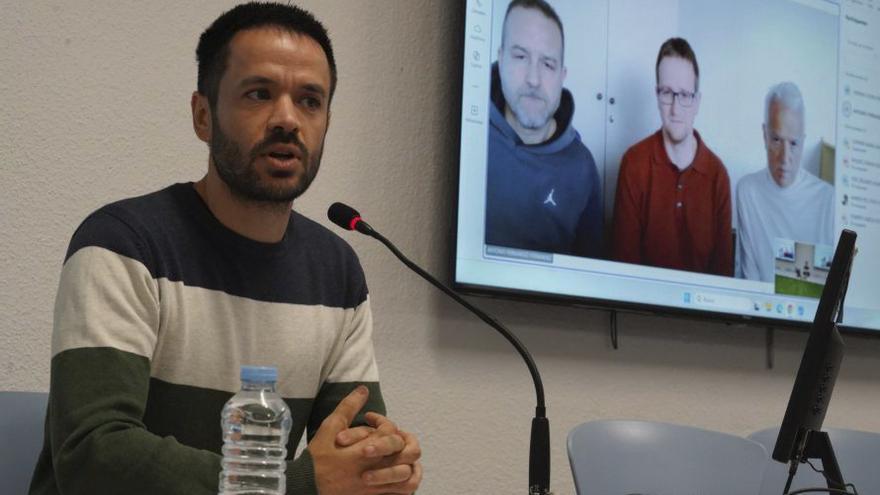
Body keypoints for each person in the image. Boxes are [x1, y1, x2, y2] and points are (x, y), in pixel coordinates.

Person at [29, 3, 422, 495]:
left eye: (310, 101)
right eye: (259, 94)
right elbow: (93, 457)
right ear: (202, 115)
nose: (287, 119)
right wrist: (296, 485)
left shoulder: (336, 272)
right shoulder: (123, 244)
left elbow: (352, 449)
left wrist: (381, 463)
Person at [485, 0, 603, 258]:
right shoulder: (470, 132)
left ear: (563, 75)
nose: (534, 79)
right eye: (520, 56)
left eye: (548, 64)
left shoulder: (583, 168)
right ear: (501, 58)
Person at [612, 37, 732, 276]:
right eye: (667, 92)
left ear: (697, 102)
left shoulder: (718, 175)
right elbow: (623, 270)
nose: (675, 109)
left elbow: (723, 275)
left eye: (685, 95)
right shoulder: (633, 164)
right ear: (657, 95)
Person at [736, 82, 834, 283]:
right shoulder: (748, 192)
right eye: (776, 140)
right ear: (764, 135)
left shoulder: (828, 200)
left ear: (803, 141)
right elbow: (749, 282)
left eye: (794, 143)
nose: (785, 157)